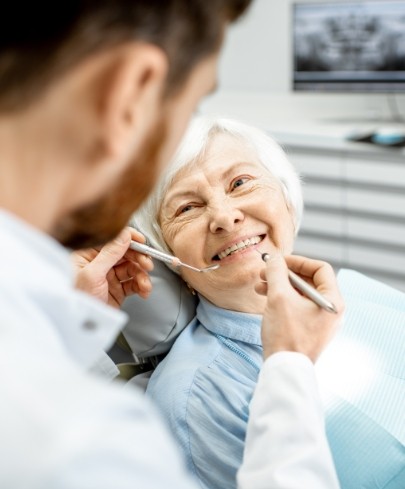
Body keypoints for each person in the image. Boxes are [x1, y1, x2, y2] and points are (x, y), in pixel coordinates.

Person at [0, 2, 256, 487]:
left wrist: (68, 320)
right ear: (130, 92)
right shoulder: (89, 446)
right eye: (193, 104)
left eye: (243, 182)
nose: (226, 216)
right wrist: (292, 378)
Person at [131, 115, 345, 489]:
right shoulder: (194, 399)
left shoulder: (354, 298)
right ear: (167, 256)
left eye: (240, 183)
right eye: (186, 208)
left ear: (287, 199)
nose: (225, 217)